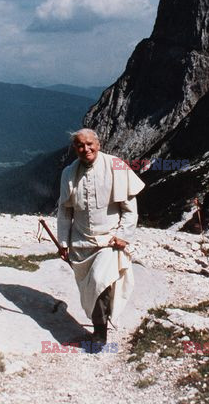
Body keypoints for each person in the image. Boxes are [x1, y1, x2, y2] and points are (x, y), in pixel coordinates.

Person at [57, 129, 145, 344]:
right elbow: (65, 211)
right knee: (87, 289)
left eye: (89, 144)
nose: (85, 149)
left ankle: (99, 331)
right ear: (75, 148)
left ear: (99, 143)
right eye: (79, 145)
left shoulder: (116, 166)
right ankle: (100, 320)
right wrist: (63, 241)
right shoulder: (69, 173)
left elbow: (130, 208)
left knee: (99, 281)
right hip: (80, 242)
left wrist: (123, 235)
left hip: (109, 240)